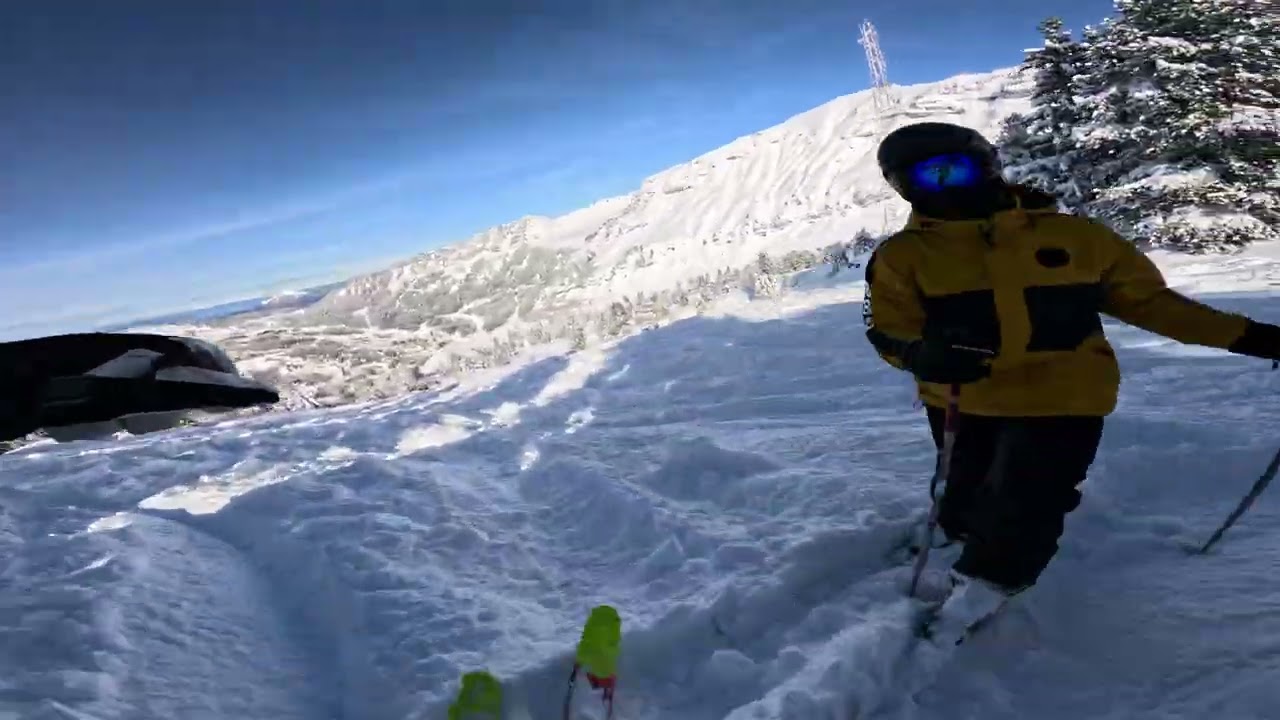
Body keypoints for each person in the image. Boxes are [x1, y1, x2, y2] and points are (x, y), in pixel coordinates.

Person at [861, 121, 1280, 642]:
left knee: (1029, 499)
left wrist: (1256, 338)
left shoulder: (1076, 239)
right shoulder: (903, 256)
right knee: (965, 488)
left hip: (1062, 397)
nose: (944, 186)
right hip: (961, 398)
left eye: (955, 169)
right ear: (903, 188)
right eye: (926, 178)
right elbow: (885, 329)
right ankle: (955, 534)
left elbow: (1153, 305)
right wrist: (921, 354)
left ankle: (984, 589)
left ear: (987, 165)